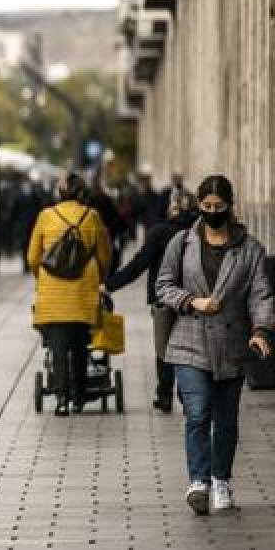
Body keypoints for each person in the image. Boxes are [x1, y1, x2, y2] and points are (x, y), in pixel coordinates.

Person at [156, 175, 273, 516]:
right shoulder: (182, 242)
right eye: (205, 207)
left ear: (230, 207)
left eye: (218, 208)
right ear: (198, 207)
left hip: (231, 345)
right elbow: (163, 286)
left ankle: (220, 479)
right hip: (188, 340)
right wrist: (192, 301)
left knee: (226, 420)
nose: (211, 213)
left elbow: (261, 295)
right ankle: (198, 482)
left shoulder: (250, 249)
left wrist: (261, 331)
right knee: (197, 411)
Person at [28, 172, 112, 417]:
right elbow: (104, 254)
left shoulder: (45, 216)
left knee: (57, 347)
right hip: (83, 290)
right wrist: (101, 276)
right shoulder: (92, 216)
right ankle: (78, 397)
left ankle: (61, 399)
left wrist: (41, 277)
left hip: (53, 291)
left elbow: (32, 257)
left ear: (59, 192)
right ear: (82, 192)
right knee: (79, 345)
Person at [105, 190, 199, 412]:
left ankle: (164, 395)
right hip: (194, 300)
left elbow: (138, 265)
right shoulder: (199, 232)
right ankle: (187, 398)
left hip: (164, 300)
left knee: (164, 350)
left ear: (172, 208)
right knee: (192, 351)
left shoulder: (160, 232)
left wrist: (109, 285)